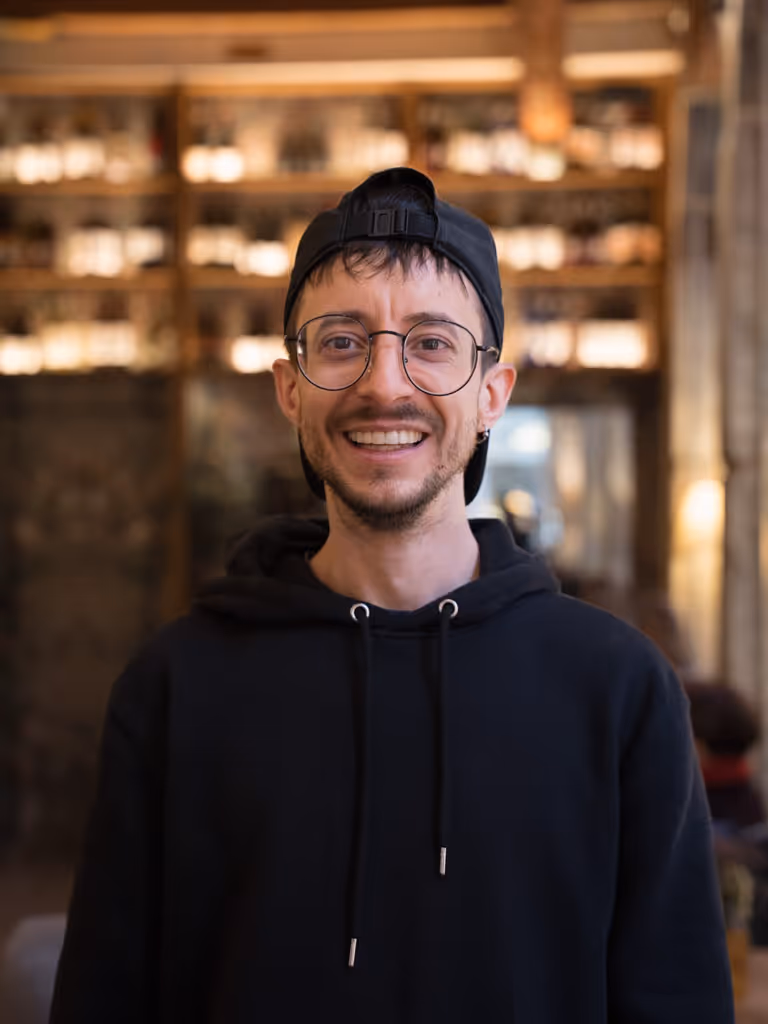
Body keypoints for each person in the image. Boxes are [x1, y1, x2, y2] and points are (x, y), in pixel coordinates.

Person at [50, 167, 734, 1023]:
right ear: (290, 389)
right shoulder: (174, 686)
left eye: (432, 342)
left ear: (492, 395)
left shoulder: (619, 687)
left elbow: (677, 1002)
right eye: (341, 341)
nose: (384, 384)